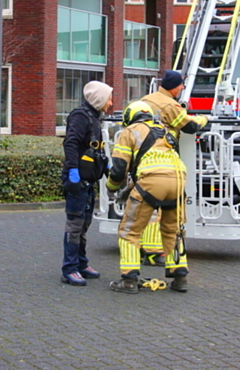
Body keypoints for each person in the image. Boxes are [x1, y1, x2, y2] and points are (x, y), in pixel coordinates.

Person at [106, 101, 189, 293]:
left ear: (129, 117)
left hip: (151, 183)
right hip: (177, 182)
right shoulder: (166, 131)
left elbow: (119, 169)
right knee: (173, 231)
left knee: (130, 232)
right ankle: (179, 278)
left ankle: (129, 280)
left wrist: (111, 188)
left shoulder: (130, 131)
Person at [138, 70, 209, 266]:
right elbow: (188, 126)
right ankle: (154, 252)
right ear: (173, 86)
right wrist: (204, 119)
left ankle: (145, 248)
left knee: (145, 207)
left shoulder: (146, 99)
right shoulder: (170, 105)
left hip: (142, 157)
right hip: (163, 159)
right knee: (161, 210)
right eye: (180, 85)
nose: (182, 88)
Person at [61, 80, 113, 286]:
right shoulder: (80, 116)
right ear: (99, 98)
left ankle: (81, 263)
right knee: (74, 224)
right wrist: (73, 170)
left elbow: (95, 149)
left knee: (84, 224)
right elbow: (71, 143)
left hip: (87, 179)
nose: (111, 102)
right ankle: (69, 268)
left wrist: (106, 167)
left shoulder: (94, 117)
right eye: (109, 98)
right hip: (78, 180)